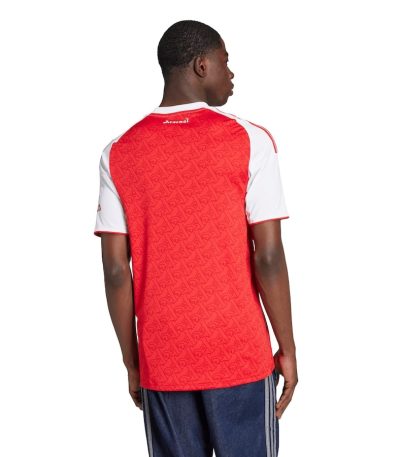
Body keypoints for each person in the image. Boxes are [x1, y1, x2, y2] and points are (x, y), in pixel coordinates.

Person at [94, 19, 298, 457]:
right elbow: (268, 256)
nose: (231, 73)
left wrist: (133, 361)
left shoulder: (119, 151)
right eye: (226, 61)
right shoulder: (250, 140)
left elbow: (115, 270)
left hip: (162, 357)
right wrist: (288, 347)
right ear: (201, 66)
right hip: (238, 352)